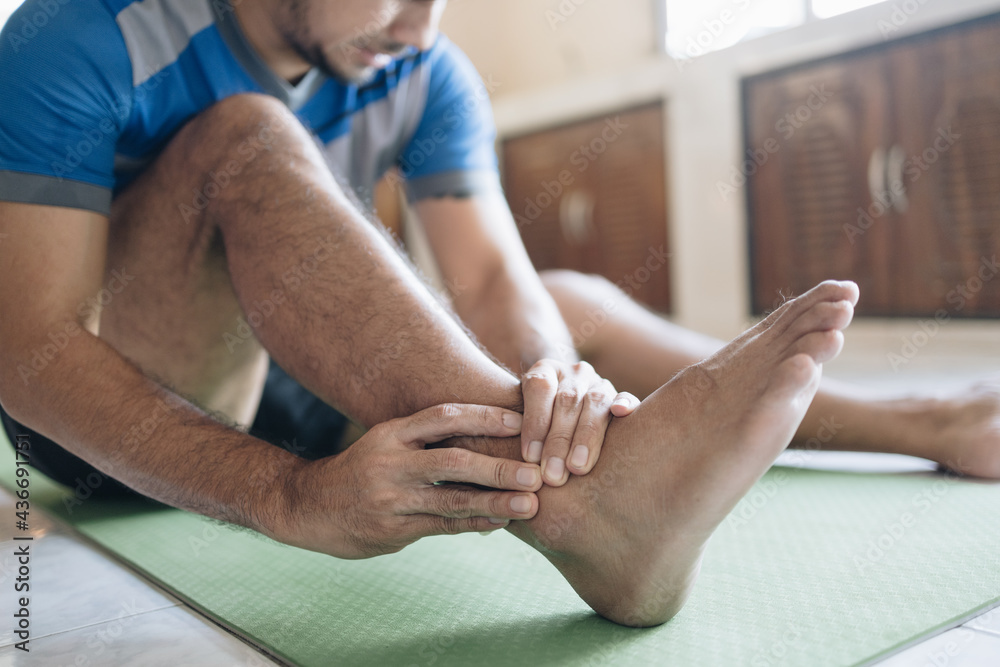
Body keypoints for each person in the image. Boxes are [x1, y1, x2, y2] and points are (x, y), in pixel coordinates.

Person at [0, 0, 990, 626]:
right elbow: (29, 353)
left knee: (569, 304)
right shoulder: (78, 34)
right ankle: (593, 514)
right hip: (112, 411)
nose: (421, 27)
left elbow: (494, 287)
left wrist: (557, 383)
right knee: (243, 135)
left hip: (294, 371)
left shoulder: (422, 68)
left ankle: (926, 421)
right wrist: (289, 498)